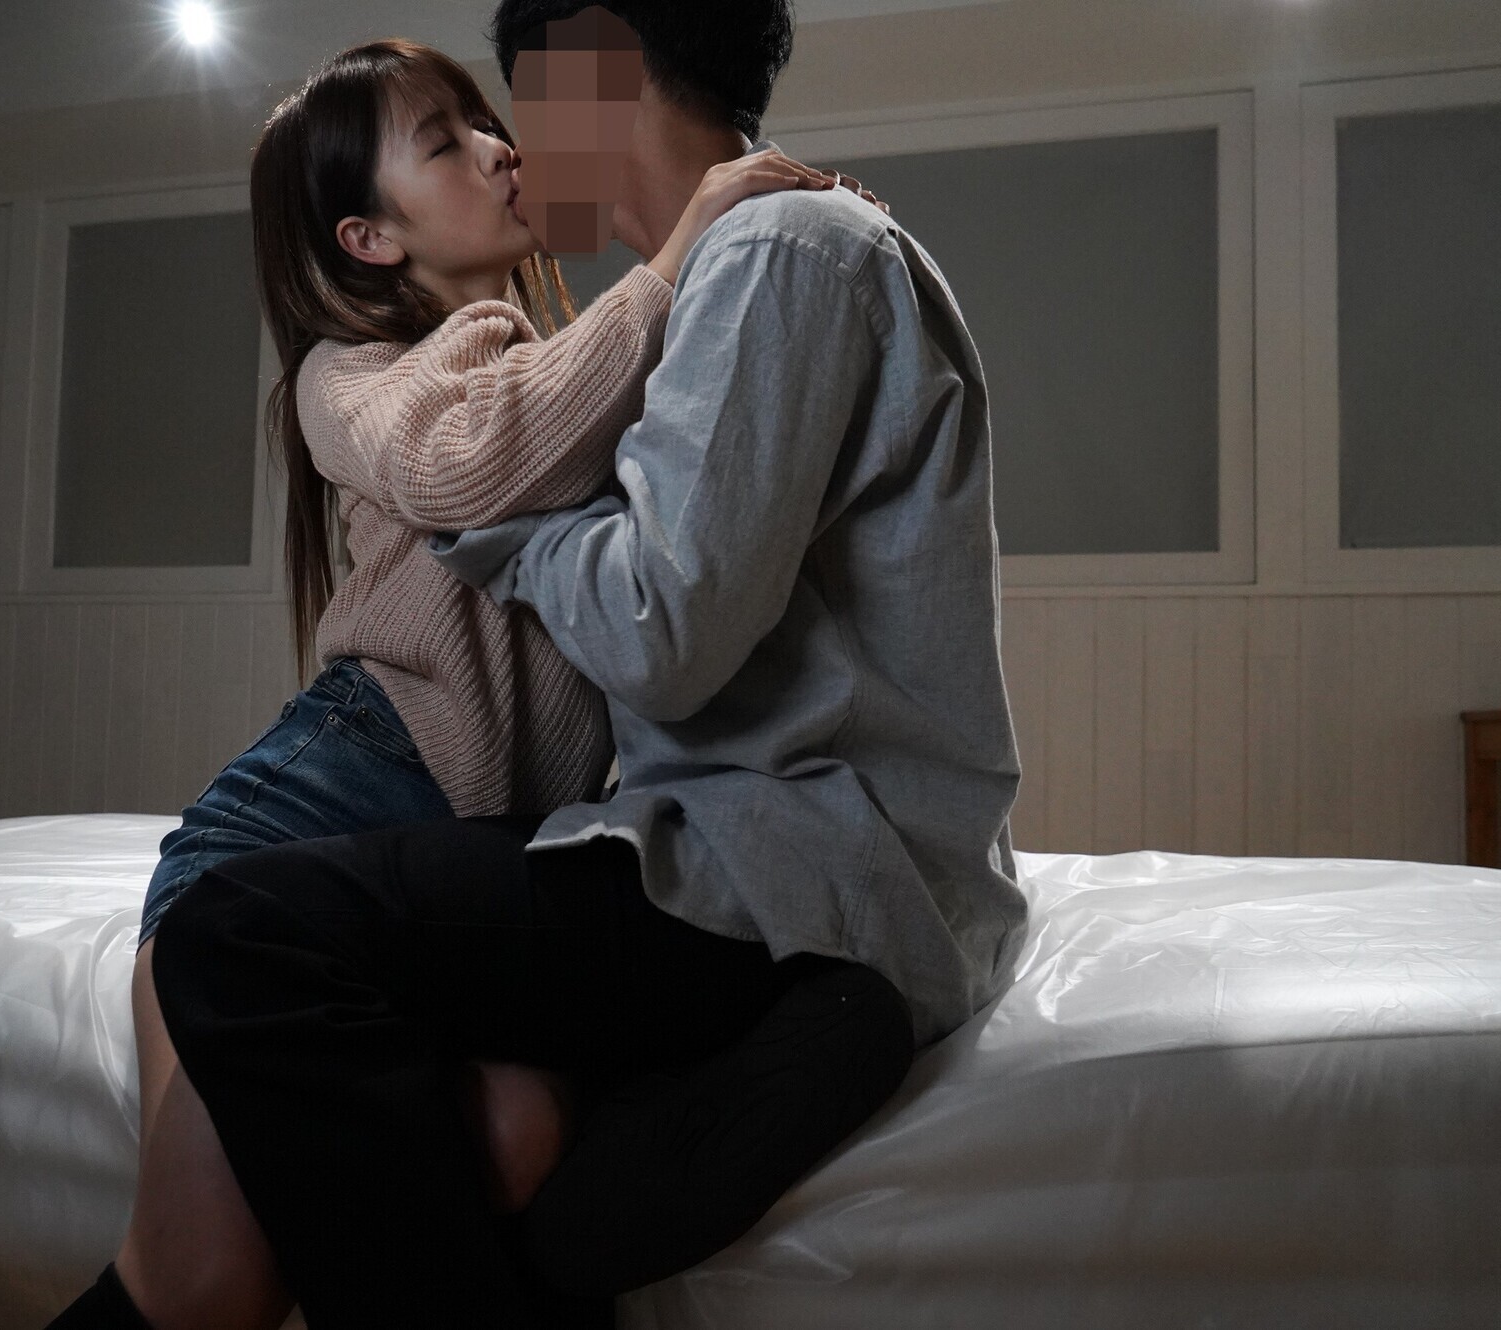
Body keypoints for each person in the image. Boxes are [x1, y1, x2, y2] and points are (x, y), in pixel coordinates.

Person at [140, 1, 1027, 1327]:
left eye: (507, 108)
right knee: (364, 1192)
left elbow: (653, 626)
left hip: (767, 853)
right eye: (457, 135)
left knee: (269, 954)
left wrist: (500, 523)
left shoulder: (768, 249)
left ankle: (782, 1038)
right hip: (379, 777)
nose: (506, 146)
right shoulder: (420, 359)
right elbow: (500, 459)